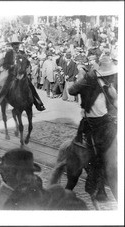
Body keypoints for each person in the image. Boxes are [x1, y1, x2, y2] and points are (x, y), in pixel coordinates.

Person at [68, 56, 117, 200]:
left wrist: (115, 96)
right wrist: (87, 77)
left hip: (107, 122)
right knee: (94, 157)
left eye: (110, 75)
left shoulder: (111, 85)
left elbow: (116, 103)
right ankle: (99, 187)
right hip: (92, 124)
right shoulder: (88, 83)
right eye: (106, 75)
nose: (110, 77)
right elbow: (71, 91)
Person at [0, 34, 45, 111]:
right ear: (12, 45)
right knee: (6, 86)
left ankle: (39, 103)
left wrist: (26, 68)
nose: (16, 46)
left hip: (23, 74)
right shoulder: (9, 53)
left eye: (17, 44)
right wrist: (12, 66)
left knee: (31, 87)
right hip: (12, 75)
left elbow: (27, 62)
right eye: (15, 44)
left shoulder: (22, 53)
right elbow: (5, 64)